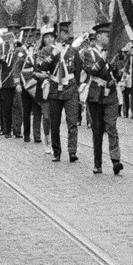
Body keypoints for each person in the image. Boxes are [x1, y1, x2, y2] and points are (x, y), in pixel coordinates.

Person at [80, 21, 124, 175]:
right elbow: (93, 70)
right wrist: (105, 58)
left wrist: (117, 67)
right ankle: (97, 163)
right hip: (95, 95)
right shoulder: (87, 53)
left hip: (110, 94)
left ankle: (116, 160)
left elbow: (118, 74)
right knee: (97, 130)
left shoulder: (113, 53)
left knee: (112, 127)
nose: (109, 38)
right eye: (106, 35)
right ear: (98, 36)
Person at [43, 22, 82, 163]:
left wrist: (76, 85)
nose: (65, 36)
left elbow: (78, 68)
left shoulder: (73, 51)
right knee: (55, 123)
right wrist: (53, 54)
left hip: (70, 88)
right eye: (62, 33)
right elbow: (42, 65)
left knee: (72, 121)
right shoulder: (49, 50)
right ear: (57, 35)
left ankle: (72, 151)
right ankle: (56, 151)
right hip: (54, 89)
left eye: (66, 33)